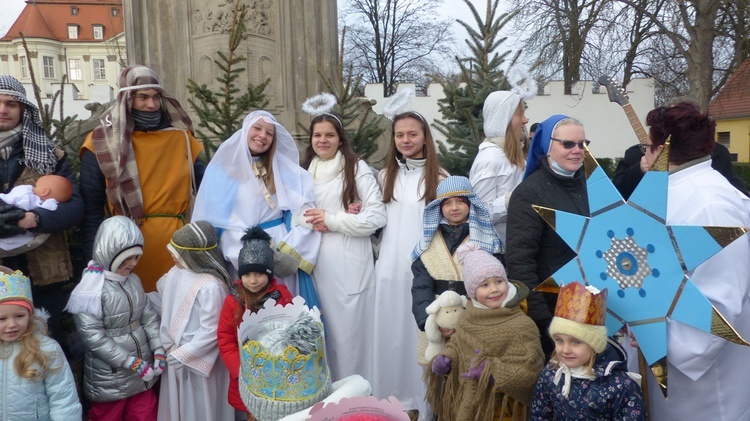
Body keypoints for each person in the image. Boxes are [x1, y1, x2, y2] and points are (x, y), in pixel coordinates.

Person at [640, 101, 750, 420]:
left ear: (662, 149)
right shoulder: (680, 191)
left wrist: (649, 324)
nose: (644, 156)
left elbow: (718, 308)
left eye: (647, 147)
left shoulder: (710, 205)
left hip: (705, 385)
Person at [79, 65, 204, 292]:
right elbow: (92, 209)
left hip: (178, 248)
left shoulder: (181, 138)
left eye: (156, 97)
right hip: (126, 250)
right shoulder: (102, 143)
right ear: (127, 99)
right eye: (143, 97)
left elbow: (207, 189)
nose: (152, 105)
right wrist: (95, 260)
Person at [191, 110, 321, 303]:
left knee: (286, 309)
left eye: (269, 133)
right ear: (245, 131)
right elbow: (214, 220)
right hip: (242, 250)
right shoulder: (224, 171)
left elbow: (305, 212)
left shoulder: (284, 170)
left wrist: (286, 252)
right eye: (257, 128)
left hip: (279, 248)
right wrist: (246, 256)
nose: (263, 136)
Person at [371, 111, 447, 419]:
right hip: (389, 266)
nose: (406, 140)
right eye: (400, 135)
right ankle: (391, 396)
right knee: (391, 332)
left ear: (425, 137)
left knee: (419, 333)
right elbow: (377, 220)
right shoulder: (384, 176)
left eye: (412, 134)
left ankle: (422, 397)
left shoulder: (439, 177)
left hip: (424, 267)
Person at [300, 113, 386, 383]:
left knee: (352, 335)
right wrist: (312, 220)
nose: (323, 140)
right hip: (316, 264)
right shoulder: (304, 171)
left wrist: (333, 219)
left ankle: (358, 396)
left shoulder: (355, 168)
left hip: (350, 260)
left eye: (329, 135)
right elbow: (293, 213)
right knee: (326, 334)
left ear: (340, 139)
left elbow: (377, 216)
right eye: (317, 135)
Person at [0, 75, 84, 340]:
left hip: (43, 271)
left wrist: (33, 219)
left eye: (11, 104)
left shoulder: (50, 154)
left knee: (46, 343)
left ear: (23, 109)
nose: (3, 110)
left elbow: (75, 206)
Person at [427, 242, 544, 420]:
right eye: (484, 285)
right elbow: (459, 345)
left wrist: (492, 371)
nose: (494, 289)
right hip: (469, 403)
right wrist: (448, 358)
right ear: (472, 292)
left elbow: (531, 371)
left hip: (503, 409)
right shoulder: (467, 318)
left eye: (499, 281)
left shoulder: (521, 325)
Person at [505, 115, 590, 359]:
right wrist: (545, 323)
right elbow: (520, 264)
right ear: (547, 146)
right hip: (555, 316)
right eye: (568, 144)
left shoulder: (590, 186)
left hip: (590, 310)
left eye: (582, 144)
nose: (577, 151)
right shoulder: (529, 193)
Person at [64, 216, 164, 421]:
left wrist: (158, 348)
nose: (132, 264)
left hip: (141, 373)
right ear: (109, 253)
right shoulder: (90, 290)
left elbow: (147, 316)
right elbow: (93, 337)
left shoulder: (133, 280)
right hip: (111, 376)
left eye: (136, 257)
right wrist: (129, 361)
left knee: (145, 414)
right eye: (126, 258)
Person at [151, 221, 234, 421]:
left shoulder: (211, 287)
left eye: (177, 252)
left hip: (196, 358)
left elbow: (212, 329)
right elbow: (165, 300)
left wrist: (186, 353)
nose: (172, 256)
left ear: (193, 255)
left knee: (200, 408)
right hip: (175, 354)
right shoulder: (174, 273)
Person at [530, 282, 646, 419]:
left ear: (594, 345)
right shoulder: (551, 375)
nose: (565, 350)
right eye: (559, 340)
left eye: (576, 342)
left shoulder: (621, 385)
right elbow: (540, 415)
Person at [217, 226, 294, 420]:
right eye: (247, 274)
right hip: (247, 375)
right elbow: (226, 340)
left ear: (269, 274)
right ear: (240, 275)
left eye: (259, 274)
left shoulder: (281, 295)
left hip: (279, 371)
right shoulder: (234, 300)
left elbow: (293, 327)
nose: (253, 281)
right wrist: (240, 372)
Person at [411, 175, 503, 333]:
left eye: (460, 201)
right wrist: (429, 321)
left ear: (470, 204)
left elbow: (497, 284)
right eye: (447, 203)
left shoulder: (487, 240)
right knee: (437, 357)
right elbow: (421, 287)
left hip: (476, 318)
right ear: (440, 208)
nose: (454, 208)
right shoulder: (428, 244)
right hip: (437, 317)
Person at [0, 266, 82, 420]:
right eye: (2, 319)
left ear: (29, 315)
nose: (12, 324)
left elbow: (63, 399)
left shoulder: (46, 349)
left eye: (19, 316)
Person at [469, 90, 529, 244]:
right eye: (519, 115)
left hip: (520, 247)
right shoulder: (490, 159)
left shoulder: (515, 155)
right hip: (499, 253)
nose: (525, 120)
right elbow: (479, 214)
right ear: (502, 119)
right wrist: (511, 200)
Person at [613, 141, 749, 200]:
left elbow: (736, 189)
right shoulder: (636, 153)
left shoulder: (718, 152)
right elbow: (616, 193)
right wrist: (638, 170)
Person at [0, 175, 73, 251]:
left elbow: (14, 200)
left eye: (36, 185)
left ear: (45, 191)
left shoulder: (27, 194)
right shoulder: (47, 206)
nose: (32, 187)